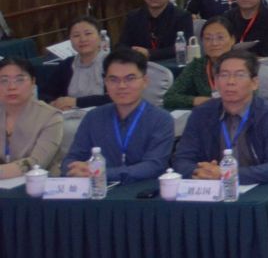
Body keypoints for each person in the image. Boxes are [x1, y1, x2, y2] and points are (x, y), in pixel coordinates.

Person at [171, 49, 268, 185]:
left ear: (254, 83)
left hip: (258, 189)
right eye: (224, 75)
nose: (230, 81)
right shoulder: (202, 113)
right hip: (211, 188)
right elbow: (181, 160)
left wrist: (226, 174)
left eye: (239, 75)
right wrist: (200, 172)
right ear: (216, 82)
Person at [63, 48, 174, 183]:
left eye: (130, 79)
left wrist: (101, 172)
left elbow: (154, 166)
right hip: (98, 190)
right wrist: (76, 169)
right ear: (105, 82)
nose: (121, 86)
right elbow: (71, 160)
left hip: (142, 191)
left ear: (145, 81)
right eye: (113, 80)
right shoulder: (93, 117)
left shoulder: (161, 119)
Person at [0, 54, 63, 177]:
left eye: (20, 80)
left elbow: (36, 163)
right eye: (4, 81)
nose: (12, 87)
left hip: (39, 183)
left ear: (33, 82)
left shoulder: (51, 117)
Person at [164, 16, 236, 111]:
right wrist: (198, 100)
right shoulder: (197, 66)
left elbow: (250, 98)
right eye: (208, 38)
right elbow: (169, 98)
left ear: (232, 40)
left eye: (220, 37)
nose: (214, 43)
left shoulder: (243, 66)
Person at [119, 0, 190, 63]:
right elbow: (122, 45)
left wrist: (150, 53)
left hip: (170, 66)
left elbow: (184, 47)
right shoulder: (133, 16)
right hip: (139, 64)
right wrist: (133, 52)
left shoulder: (182, 16)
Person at [40, 17, 109, 110]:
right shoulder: (66, 65)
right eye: (76, 35)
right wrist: (54, 104)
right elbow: (45, 94)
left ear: (100, 37)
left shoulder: (112, 63)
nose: (83, 39)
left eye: (88, 33)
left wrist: (76, 102)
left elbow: (115, 97)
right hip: (70, 115)